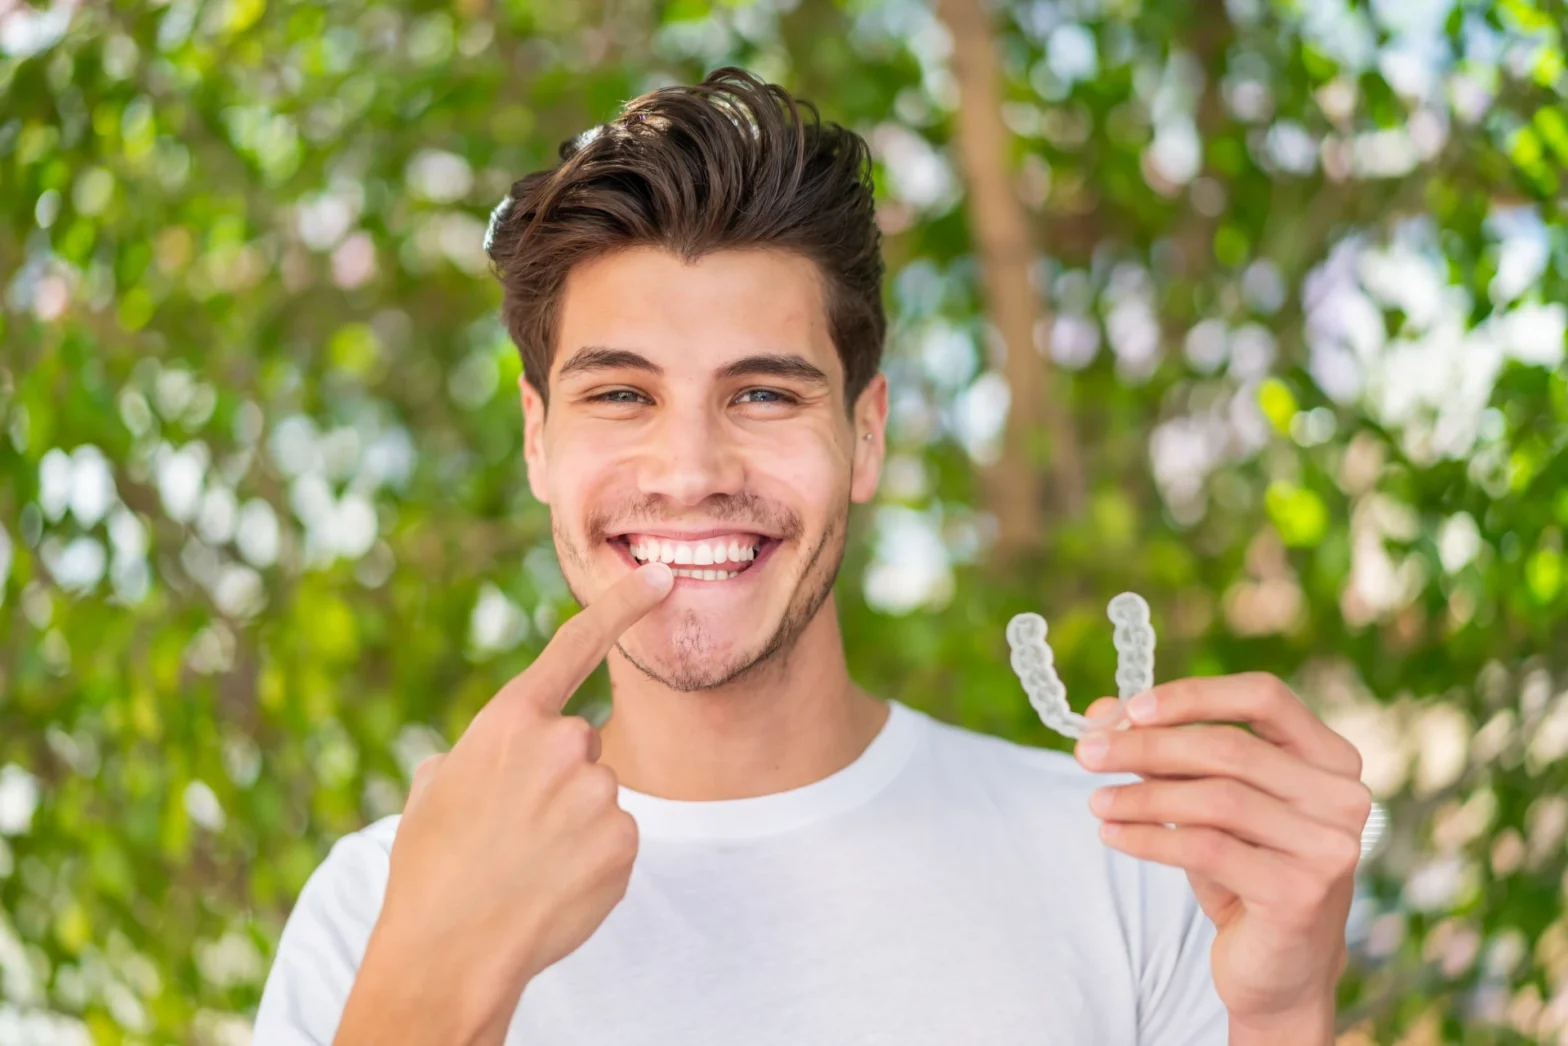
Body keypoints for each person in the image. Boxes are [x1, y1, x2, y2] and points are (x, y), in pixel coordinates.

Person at [253, 67, 1371, 1046]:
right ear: (538, 438)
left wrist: (1277, 1019)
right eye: (621, 394)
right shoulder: (377, 908)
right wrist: (437, 983)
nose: (688, 469)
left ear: (865, 434)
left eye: (760, 392)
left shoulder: (1135, 870)